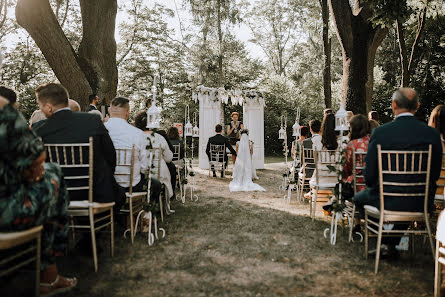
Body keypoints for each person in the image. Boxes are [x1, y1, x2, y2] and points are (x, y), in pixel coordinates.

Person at [0, 94, 77, 296]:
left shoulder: (40, 126)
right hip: (6, 211)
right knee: (52, 176)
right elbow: (37, 155)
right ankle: (49, 274)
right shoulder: (3, 109)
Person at [353, 88, 442, 254]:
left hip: (387, 199)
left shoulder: (380, 133)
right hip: (420, 201)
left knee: (359, 198)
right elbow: (434, 173)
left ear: (394, 105)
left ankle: (386, 240)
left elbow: (370, 174)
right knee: (405, 201)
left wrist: (377, 187)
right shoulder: (432, 135)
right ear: (417, 106)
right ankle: (390, 242)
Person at [32, 83, 123, 206]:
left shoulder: (38, 130)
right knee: (119, 193)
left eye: (40, 106)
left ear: (48, 107)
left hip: (57, 196)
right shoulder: (92, 121)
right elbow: (111, 156)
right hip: (96, 194)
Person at [133, 111, 174, 210]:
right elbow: (169, 158)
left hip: (139, 174)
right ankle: (157, 204)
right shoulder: (160, 138)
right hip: (160, 174)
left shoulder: (134, 137)